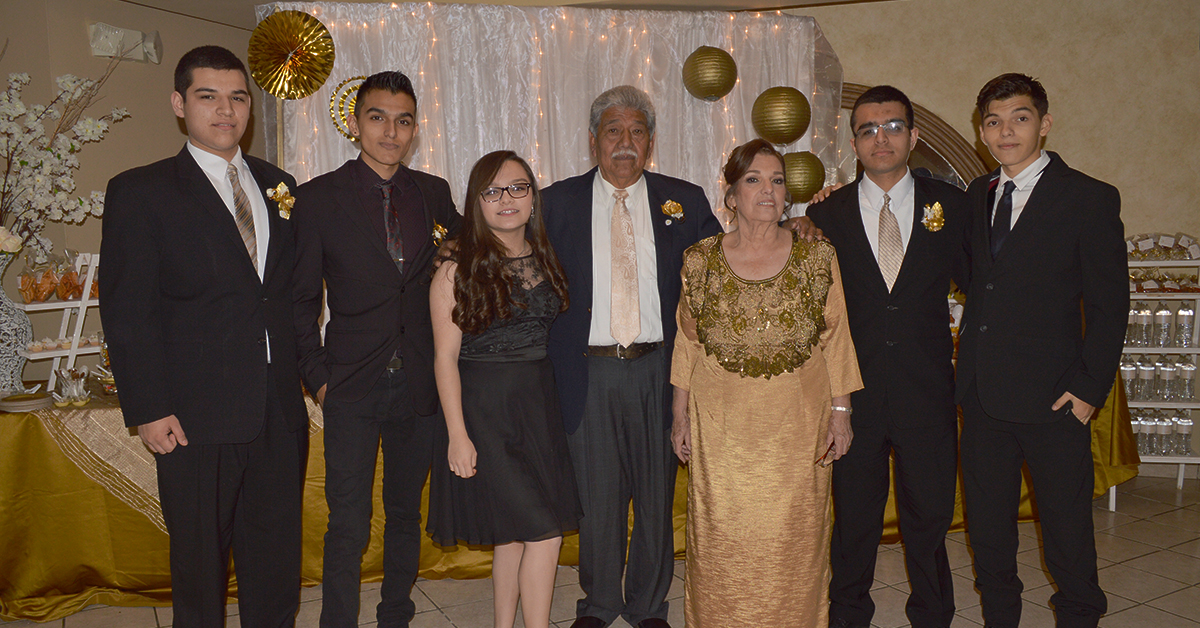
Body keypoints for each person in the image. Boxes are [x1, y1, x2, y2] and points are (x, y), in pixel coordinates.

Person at [99, 45, 308, 627]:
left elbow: (287, 298)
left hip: (276, 413)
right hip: (192, 418)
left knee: (274, 566)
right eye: (208, 96)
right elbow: (127, 308)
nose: (226, 110)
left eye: (238, 97)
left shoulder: (279, 185)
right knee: (199, 569)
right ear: (178, 103)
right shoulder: (141, 191)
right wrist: (149, 406)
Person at [542, 85, 721, 628]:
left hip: (660, 369)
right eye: (613, 131)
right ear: (593, 139)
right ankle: (597, 605)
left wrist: (791, 230)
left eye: (637, 131)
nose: (625, 143)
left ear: (651, 141)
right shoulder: (556, 202)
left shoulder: (683, 200)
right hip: (587, 370)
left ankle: (647, 606)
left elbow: (726, 266)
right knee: (596, 500)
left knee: (654, 495)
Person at [956, 73, 1126, 628]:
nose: (1006, 131)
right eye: (994, 121)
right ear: (982, 132)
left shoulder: (1089, 198)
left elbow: (1109, 305)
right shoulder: (976, 195)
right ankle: (1000, 618)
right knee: (988, 531)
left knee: (1067, 531)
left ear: (1044, 124)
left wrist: (1087, 390)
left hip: (1056, 399)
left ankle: (1079, 616)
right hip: (982, 399)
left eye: (1019, 118)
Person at [291, 71, 460, 628]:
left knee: (405, 514)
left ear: (415, 128)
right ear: (356, 123)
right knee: (348, 521)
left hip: (418, 383)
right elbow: (300, 303)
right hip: (350, 385)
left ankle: (396, 615)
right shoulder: (316, 198)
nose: (391, 131)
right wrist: (319, 379)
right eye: (378, 117)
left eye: (404, 120)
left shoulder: (433, 194)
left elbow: (467, 264)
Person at [671, 139, 862, 627]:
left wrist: (841, 413)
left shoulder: (817, 256)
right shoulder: (699, 259)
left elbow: (836, 335)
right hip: (722, 429)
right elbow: (687, 343)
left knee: (793, 542)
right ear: (731, 195)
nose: (768, 190)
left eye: (777, 180)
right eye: (753, 179)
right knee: (724, 544)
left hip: (798, 428)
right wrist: (679, 416)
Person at [806, 86, 970, 628]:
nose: (882, 138)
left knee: (928, 522)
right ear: (854, 142)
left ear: (913, 136)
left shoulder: (953, 207)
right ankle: (848, 616)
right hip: (854, 397)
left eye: (893, 126)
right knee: (853, 524)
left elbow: (985, 290)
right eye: (869, 129)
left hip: (928, 394)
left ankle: (932, 615)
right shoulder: (826, 214)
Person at [426, 150, 581, 628]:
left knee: (514, 535)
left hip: (537, 407)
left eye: (517, 187)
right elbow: (444, 358)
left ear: (533, 196)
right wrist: (457, 435)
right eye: (491, 191)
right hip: (484, 411)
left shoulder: (545, 257)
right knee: (544, 533)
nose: (505, 199)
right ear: (476, 202)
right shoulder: (455, 269)